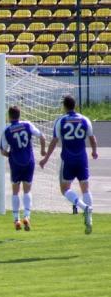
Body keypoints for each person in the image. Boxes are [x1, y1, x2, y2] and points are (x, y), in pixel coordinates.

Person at [39, 95, 98, 234]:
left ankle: (85, 208)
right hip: (82, 158)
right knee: (85, 188)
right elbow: (92, 138)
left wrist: (46, 158)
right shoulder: (85, 119)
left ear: (64, 106)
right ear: (75, 105)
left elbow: (54, 141)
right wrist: (94, 151)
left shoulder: (61, 121)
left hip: (68, 159)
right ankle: (89, 219)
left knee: (65, 189)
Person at [0, 105, 46, 231]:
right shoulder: (27, 125)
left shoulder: (7, 130)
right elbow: (42, 137)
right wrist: (42, 150)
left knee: (15, 191)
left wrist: (10, 154)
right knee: (27, 190)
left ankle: (16, 219)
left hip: (15, 162)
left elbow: (2, 151)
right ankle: (27, 216)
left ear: (9, 116)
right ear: (19, 115)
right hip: (29, 161)